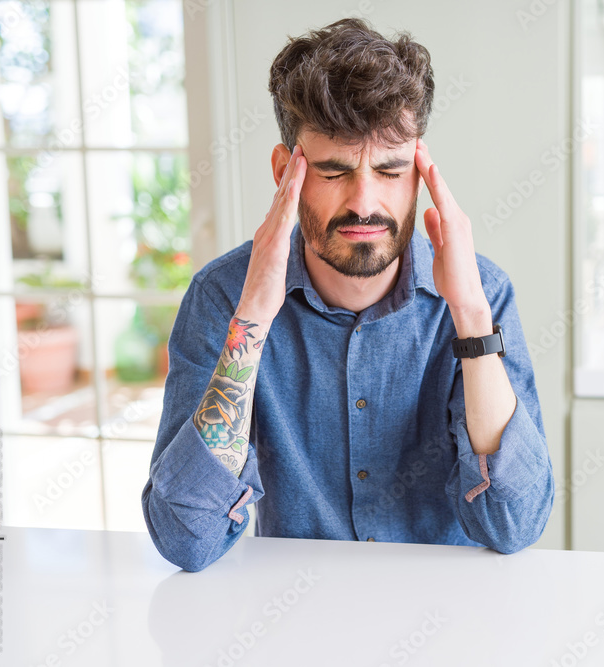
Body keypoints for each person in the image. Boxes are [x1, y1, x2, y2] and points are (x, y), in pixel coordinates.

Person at [140, 17, 554, 572]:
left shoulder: (482, 295)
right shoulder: (223, 297)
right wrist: (254, 319)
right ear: (285, 171)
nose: (364, 202)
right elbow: (186, 539)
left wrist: (471, 315)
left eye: (390, 170)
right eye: (334, 171)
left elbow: (513, 524)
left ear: (419, 176)